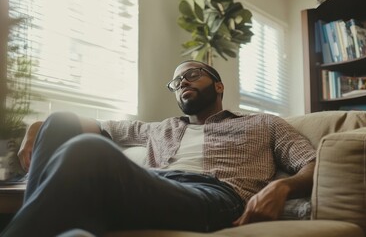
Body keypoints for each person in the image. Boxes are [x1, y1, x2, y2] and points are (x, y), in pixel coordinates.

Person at [1, 60, 316, 236]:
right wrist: (36, 127)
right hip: (156, 189)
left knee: (87, 150)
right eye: (176, 82)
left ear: (218, 86)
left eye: (192, 75)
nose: (182, 83)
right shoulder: (158, 128)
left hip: (214, 196)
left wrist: (284, 187)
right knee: (61, 122)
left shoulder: (263, 123)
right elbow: (83, 125)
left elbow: (314, 161)